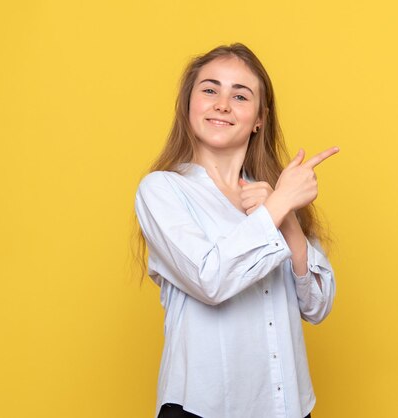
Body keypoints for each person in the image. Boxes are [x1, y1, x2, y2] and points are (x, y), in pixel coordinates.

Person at [134, 43, 339, 418]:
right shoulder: (163, 190)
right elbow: (210, 280)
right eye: (210, 90)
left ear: (259, 118)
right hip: (203, 408)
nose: (222, 104)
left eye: (240, 95)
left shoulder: (270, 198)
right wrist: (279, 205)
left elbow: (317, 306)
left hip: (287, 407)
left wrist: (289, 219)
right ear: (188, 104)